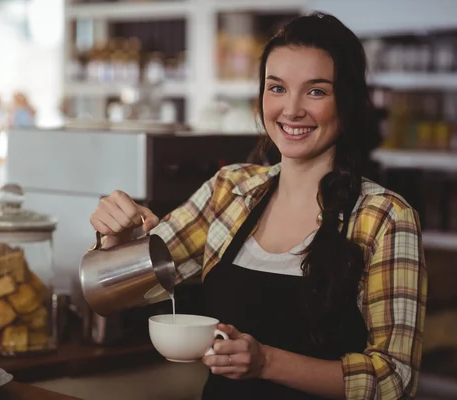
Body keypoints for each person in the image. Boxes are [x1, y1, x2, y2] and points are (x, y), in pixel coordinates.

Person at [89, 12, 427, 400]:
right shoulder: (229, 191)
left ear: (346, 104)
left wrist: (266, 362)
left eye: (316, 91)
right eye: (277, 88)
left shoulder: (383, 217)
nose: (292, 110)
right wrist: (116, 240)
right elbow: (112, 296)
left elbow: (395, 378)